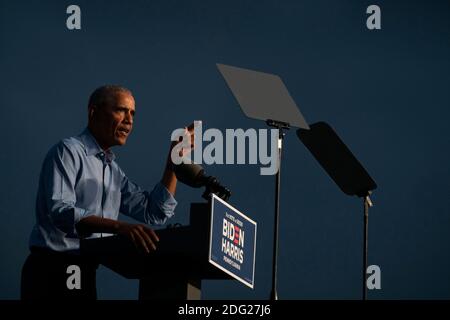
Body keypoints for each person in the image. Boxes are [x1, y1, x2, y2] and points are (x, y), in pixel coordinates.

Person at [21, 85, 191, 299]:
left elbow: (155, 211)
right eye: (121, 110)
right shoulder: (69, 151)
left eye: (133, 113)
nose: (129, 120)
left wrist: (175, 160)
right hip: (53, 265)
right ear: (94, 112)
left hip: (84, 269)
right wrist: (120, 227)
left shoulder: (113, 171)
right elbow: (62, 212)